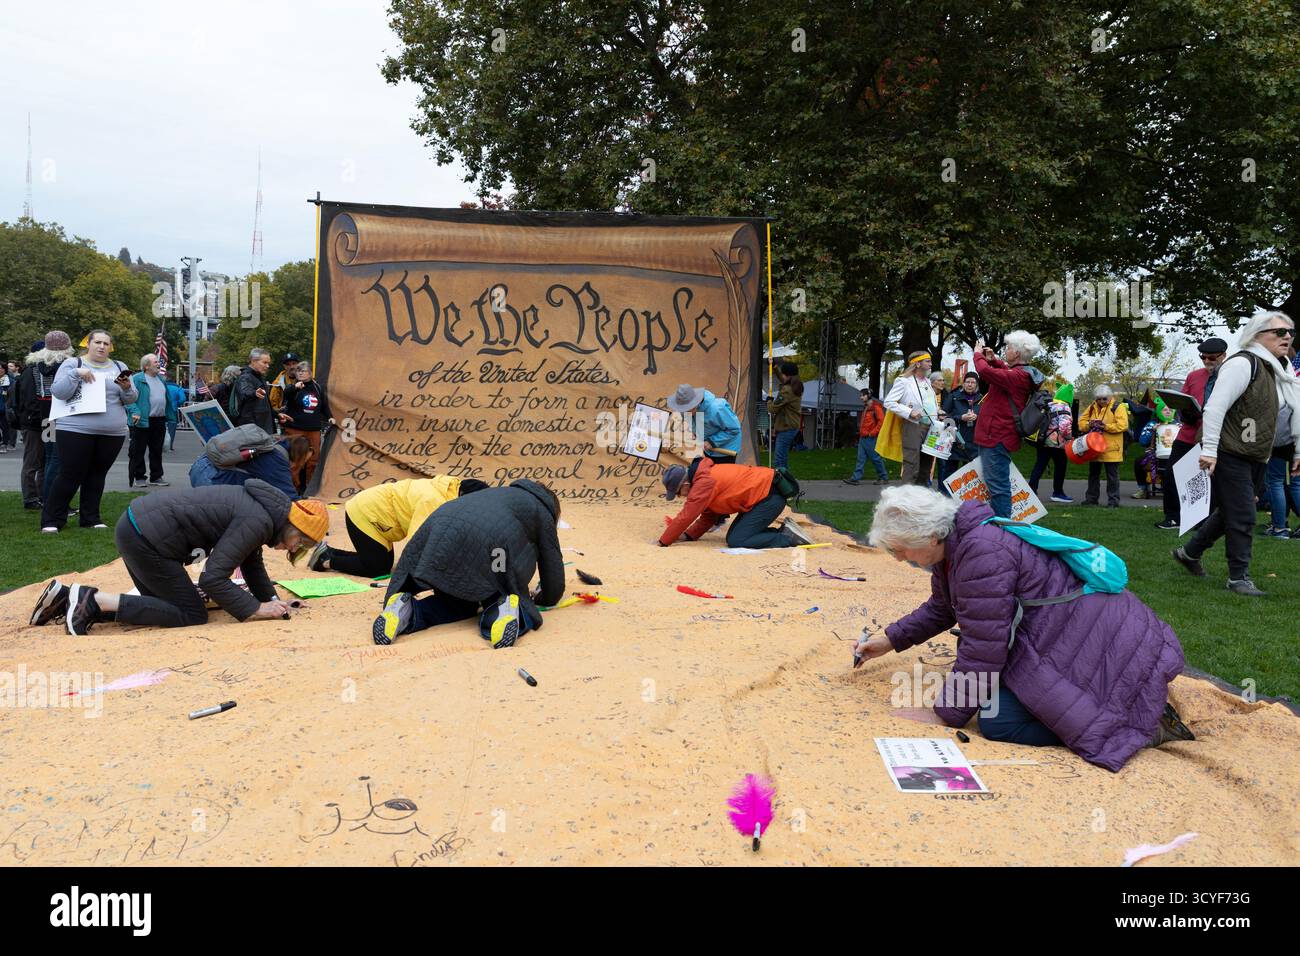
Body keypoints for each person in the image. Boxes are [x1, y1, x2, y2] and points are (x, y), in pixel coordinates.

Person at [854, 486, 1191, 772]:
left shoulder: (978, 553)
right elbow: (944, 608)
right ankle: (1134, 709)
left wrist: (946, 715)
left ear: (928, 536)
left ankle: (1141, 726)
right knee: (998, 701)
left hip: (1099, 647)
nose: (898, 558)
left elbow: (984, 647)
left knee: (998, 722)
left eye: (898, 549)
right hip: (1079, 636)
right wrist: (890, 640)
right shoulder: (958, 543)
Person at [29, 484, 328, 635]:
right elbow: (213, 578)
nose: (293, 549)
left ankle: (67, 599)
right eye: (299, 543)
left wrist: (273, 600)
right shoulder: (258, 520)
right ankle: (93, 601)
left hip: (137, 528)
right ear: (295, 527)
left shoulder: (263, 514)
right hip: (148, 540)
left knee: (162, 608)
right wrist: (256, 609)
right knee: (191, 613)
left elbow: (250, 561)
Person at [1173, 312, 1300, 596]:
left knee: (1231, 510)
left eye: (1290, 331)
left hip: (1257, 455)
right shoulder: (1244, 364)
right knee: (1244, 514)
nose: (1288, 336)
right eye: (1279, 332)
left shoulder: (1281, 369)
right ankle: (1238, 578)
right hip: (1229, 452)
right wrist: (1208, 451)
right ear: (1257, 335)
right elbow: (1215, 407)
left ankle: (1189, 553)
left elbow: (1291, 411)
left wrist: (1298, 449)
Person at [373, 480, 565, 649]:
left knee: (458, 606)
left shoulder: (497, 491)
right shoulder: (543, 512)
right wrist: (542, 598)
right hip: (492, 548)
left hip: (440, 525)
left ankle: (406, 611)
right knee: (498, 589)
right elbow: (553, 572)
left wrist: (398, 586)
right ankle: (503, 610)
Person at [41, 330, 137, 534]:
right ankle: (52, 519)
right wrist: (76, 375)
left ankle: (90, 518)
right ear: (88, 344)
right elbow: (59, 392)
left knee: (97, 475)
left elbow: (130, 399)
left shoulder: (120, 367)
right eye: (98, 342)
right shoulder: (72, 364)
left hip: (112, 432)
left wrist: (128, 388)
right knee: (70, 474)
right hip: (75, 429)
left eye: (106, 343)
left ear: (110, 347)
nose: (102, 346)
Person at [306, 476, 489, 578]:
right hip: (364, 513)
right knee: (377, 569)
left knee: (381, 563)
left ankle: (328, 552)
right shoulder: (434, 501)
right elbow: (418, 542)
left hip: (378, 515)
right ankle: (326, 561)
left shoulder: (451, 487)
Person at [659, 458, 811, 549]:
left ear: (685, 484)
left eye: (678, 492)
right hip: (764, 496)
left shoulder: (702, 484)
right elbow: (709, 516)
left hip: (770, 497)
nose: (680, 496)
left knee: (737, 540)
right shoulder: (703, 477)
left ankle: (787, 538)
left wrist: (663, 541)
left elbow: (686, 515)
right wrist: (688, 535)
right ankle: (784, 532)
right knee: (733, 536)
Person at [1157, 337, 1228, 530]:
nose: (1206, 361)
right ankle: (1173, 517)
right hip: (1187, 432)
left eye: (1211, 358)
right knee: (1172, 473)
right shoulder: (1194, 376)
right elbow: (1182, 398)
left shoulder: (1230, 376)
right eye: (1203, 357)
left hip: (1213, 436)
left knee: (1208, 477)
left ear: (1223, 356)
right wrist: (1184, 412)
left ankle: (1204, 520)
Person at [972, 331, 1045, 518]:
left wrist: (978, 354)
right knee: (995, 484)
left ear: (1018, 354)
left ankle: (1004, 530)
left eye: (1009, 347)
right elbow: (1004, 370)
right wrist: (994, 359)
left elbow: (984, 371)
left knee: (998, 487)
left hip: (996, 437)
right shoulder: (1020, 374)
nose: (1007, 350)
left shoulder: (1018, 377)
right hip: (996, 436)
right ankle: (1001, 527)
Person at [14, 333, 75, 510]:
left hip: (41, 420)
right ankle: (32, 498)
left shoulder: (36, 369)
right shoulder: (33, 371)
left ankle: (41, 495)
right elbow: (26, 398)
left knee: (45, 461)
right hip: (42, 421)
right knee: (37, 461)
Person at [190, 432, 312, 500]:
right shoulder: (277, 460)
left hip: (202, 465)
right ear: (299, 455)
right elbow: (289, 498)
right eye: (303, 462)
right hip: (211, 478)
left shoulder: (273, 442)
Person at [882, 351, 940, 486]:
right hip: (913, 425)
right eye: (928, 361)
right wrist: (909, 412)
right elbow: (889, 402)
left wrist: (938, 412)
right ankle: (906, 498)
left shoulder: (927, 381)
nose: (931, 364)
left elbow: (928, 403)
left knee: (927, 464)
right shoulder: (903, 381)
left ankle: (921, 497)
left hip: (930, 427)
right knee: (912, 463)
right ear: (918, 363)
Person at [278, 361, 334, 492]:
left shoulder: (317, 388)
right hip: (294, 428)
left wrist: (330, 416)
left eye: (304, 371)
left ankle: (310, 489)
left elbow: (324, 406)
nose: (301, 373)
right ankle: (292, 489)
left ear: (310, 373)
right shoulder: (293, 387)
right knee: (294, 459)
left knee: (313, 460)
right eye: (298, 371)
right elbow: (286, 395)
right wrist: (295, 388)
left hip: (313, 430)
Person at [126, 354, 177, 488]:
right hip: (141, 420)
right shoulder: (137, 379)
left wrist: (169, 415)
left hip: (159, 420)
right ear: (146, 366)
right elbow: (128, 399)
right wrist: (135, 412)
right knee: (138, 451)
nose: (158, 364)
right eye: (155, 362)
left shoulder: (161, 379)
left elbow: (166, 398)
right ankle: (139, 477)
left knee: (157, 450)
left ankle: (156, 476)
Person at [1078, 385, 1128, 507]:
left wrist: (1104, 426)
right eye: (1099, 399)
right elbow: (1081, 423)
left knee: (1112, 477)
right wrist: (1089, 425)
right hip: (1094, 447)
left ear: (1110, 397)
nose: (1101, 401)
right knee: (1093, 475)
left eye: (1104, 399)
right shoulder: (1092, 407)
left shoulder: (1118, 407)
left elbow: (1122, 425)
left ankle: (1113, 502)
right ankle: (1091, 499)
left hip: (1111, 448)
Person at [666, 384, 742, 464]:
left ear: (696, 403)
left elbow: (734, 429)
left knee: (724, 474)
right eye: (682, 410)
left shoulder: (717, 409)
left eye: (688, 410)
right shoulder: (685, 412)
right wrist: (695, 432)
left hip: (726, 451)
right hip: (708, 449)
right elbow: (694, 422)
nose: (685, 413)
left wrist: (712, 442)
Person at [1028, 383, 1073, 503]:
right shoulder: (1064, 407)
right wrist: (1070, 438)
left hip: (1042, 440)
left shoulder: (1048, 404)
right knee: (1060, 467)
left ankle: (1031, 490)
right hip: (1057, 444)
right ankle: (1058, 492)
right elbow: (1064, 428)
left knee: (1039, 465)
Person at [940, 372, 982, 490]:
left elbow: (987, 418)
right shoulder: (953, 396)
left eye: (973, 382)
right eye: (967, 382)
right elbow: (943, 417)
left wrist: (977, 417)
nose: (970, 385)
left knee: (970, 475)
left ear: (977, 385)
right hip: (955, 440)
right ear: (963, 383)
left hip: (973, 442)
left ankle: (966, 501)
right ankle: (945, 498)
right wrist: (960, 417)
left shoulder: (981, 398)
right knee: (950, 473)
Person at [843, 388, 889, 485]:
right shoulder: (866, 407)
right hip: (863, 437)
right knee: (860, 458)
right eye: (861, 395)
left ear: (868, 395)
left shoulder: (876, 407)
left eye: (862, 395)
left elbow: (882, 422)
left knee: (875, 458)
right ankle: (855, 478)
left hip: (870, 438)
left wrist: (872, 433)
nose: (861, 397)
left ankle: (883, 477)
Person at [766, 362, 803, 472]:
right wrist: (775, 368)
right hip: (792, 426)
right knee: (783, 459)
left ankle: (781, 486)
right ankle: (788, 484)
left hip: (786, 428)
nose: (782, 376)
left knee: (778, 461)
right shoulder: (796, 385)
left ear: (788, 376)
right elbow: (783, 380)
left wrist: (769, 401)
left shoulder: (787, 390)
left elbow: (772, 409)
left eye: (783, 374)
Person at [230, 348, 276, 434]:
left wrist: (277, 415)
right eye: (264, 362)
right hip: (253, 430)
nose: (267, 366)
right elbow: (245, 391)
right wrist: (254, 393)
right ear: (253, 361)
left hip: (260, 428)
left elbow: (264, 405)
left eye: (268, 363)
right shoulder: (245, 377)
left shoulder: (258, 376)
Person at [164, 372, 187, 450]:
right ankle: (170, 446)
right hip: (173, 410)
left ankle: (159, 444)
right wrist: (176, 403)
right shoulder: (178, 388)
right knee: (172, 429)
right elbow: (183, 399)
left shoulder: (162, 386)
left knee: (159, 427)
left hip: (161, 409)